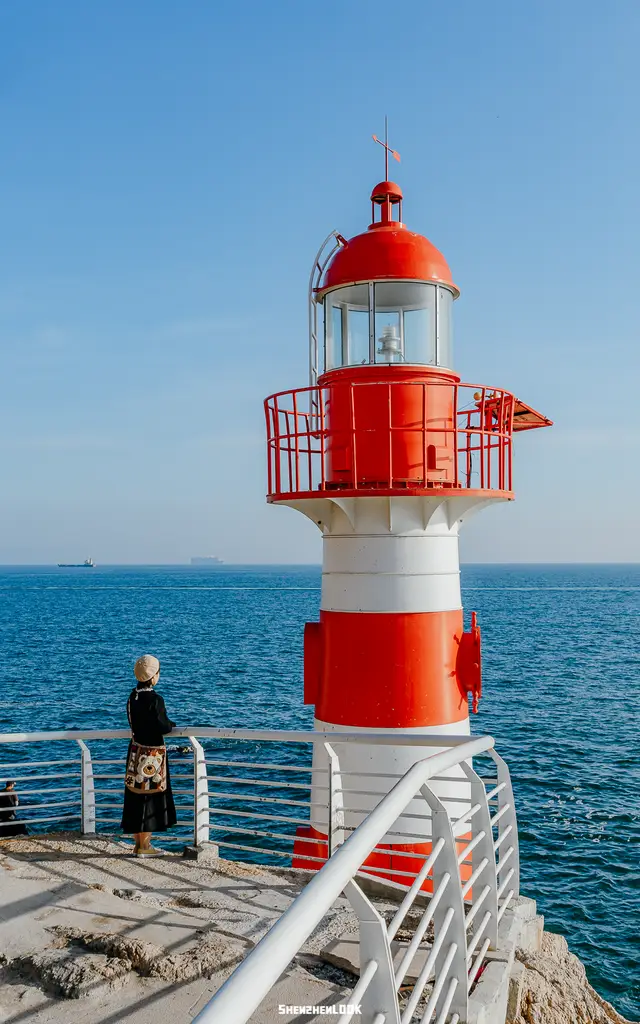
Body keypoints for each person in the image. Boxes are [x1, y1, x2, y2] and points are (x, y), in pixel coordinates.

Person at [121, 654, 177, 857]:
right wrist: (171, 725)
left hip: (135, 752)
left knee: (136, 795)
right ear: (153, 676)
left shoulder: (132, 697)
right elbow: (163, 726)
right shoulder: (155, 699)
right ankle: (145, 847)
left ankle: (138, 843)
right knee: (150, 796)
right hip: (152, 756)